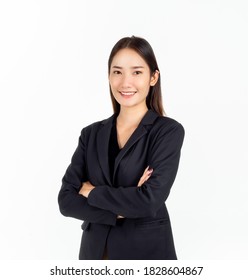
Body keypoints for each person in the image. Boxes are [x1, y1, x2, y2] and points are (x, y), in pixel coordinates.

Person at [58, 36, 185, 260]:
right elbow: (66, 201)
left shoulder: (167, 132)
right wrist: (121, 209)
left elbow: (149, 201)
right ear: (109, 76)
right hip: (95, 255)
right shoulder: (91, 134)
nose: (125, 82)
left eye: (137, 72)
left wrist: (91, 192)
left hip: (145, 255)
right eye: (117, 72)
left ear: (153, 77)